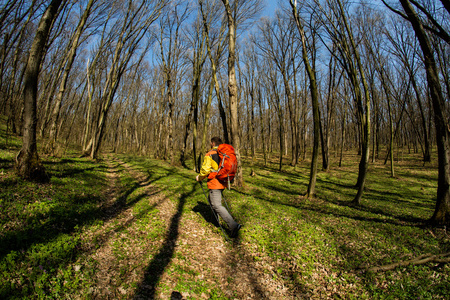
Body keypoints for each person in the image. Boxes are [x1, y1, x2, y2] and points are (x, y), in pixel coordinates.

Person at [196, 137, 241, 237]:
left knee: (216, 205)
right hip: (223, 181)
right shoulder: (224, 153)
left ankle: (233, 226)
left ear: (212, 143)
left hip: (214, 182)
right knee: (212, 200)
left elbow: (205, 169)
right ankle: (214, 221)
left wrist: (199, 177)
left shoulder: (210, 153)